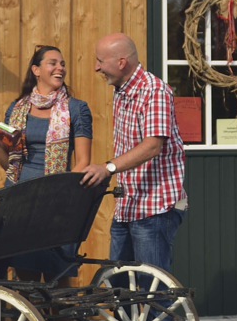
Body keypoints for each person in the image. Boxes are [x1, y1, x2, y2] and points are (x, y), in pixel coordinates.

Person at [0, 44, 93, 281]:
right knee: (26, 282)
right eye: (53, 63)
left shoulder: (76, 109)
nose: (60, 68)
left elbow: (83, 162)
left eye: (62, 64)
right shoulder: (16, 108)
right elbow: (8, 164)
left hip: (57, 200)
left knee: (58, 282)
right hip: (20, 199)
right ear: (36, 70)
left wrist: (57, 193)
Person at [79, 32, 186, 273]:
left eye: (100, 61)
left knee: (151, 287)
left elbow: (152, 145)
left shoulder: (154, 91)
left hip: (155, 207)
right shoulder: (121, 89)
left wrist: (107, 168)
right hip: (128, 205)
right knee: (118, 283)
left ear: (121, 62)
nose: (96, 67)